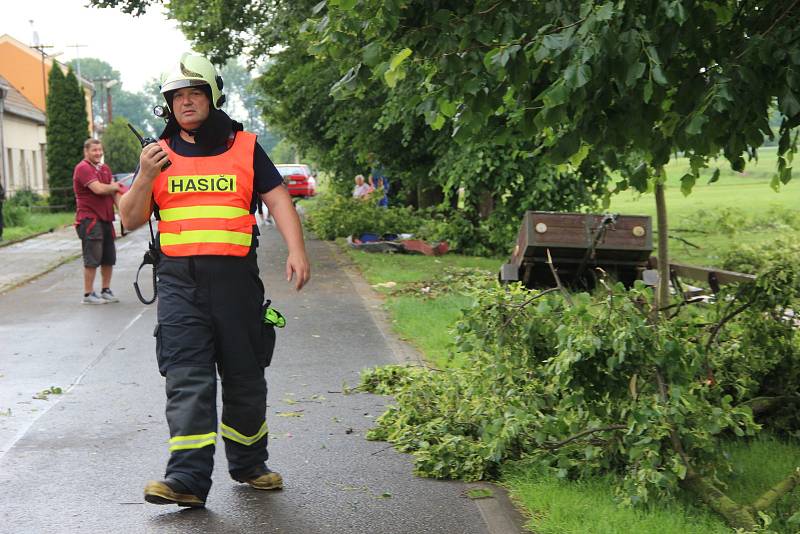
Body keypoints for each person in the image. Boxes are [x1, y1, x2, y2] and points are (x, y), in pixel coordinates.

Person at [119, 52, 310, 508]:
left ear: (212, 97)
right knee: (188, 379)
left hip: (237, 284)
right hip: (180, 285)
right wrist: (144, 176)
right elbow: (128, 219)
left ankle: (249, 465)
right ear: (168, 105)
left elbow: (279, 198)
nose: (186, 102)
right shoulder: (157, 156)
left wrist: (298, 251)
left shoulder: (246, 147)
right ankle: (185, 478)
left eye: (194, 93)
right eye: (177, 96)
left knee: (245, 378)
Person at [73, 139, 123, 304]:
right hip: (90, 220)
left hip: (106, 219)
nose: (98, 153)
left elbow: (112, 192)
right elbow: (99, 189)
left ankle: (105, 289)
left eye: (100, 150)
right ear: (86, 152)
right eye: (94, 150)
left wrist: (124, 212)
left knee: (109, 257)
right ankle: (88, 294)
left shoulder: (105, 168)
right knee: (92, 258)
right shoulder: (83, 168)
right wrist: (114, 186)